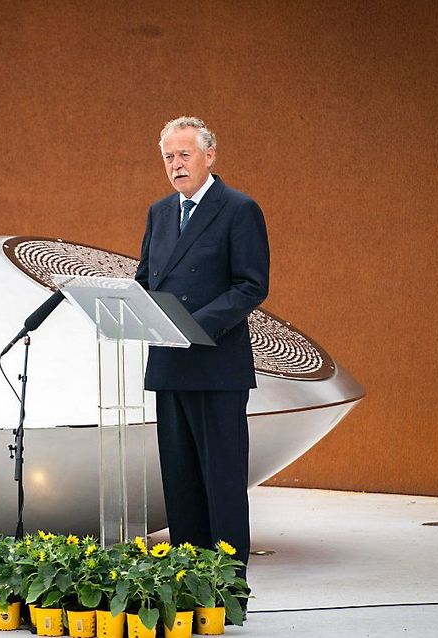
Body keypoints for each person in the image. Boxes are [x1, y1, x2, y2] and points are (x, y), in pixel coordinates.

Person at [135, 116, 270, 600]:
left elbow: (251, 285)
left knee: (223, 480)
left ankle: (229, 590)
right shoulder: (158, 213)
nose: (176, 164)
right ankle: (188, 586)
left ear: (209, 156)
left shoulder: (238, 209)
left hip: (216, 367)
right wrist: (127, 308)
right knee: (181, 482)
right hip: (170, 365)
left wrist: (195, 326)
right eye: (169, 156)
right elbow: (146, 279)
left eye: (184, 154)